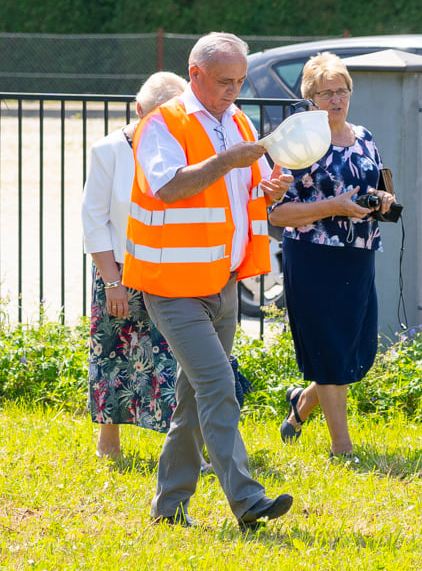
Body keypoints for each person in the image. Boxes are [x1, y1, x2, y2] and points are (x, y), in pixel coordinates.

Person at [123, 32, 293, 529]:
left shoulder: (236, 119)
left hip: (222, 281)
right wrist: (227, 163)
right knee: (219, 385)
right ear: (195, 74)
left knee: (194, 401)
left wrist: (267, 186)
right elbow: (170, 187)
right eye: (224, 81)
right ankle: (247, 501)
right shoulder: (163, 123)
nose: (233, 91)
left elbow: (241, 191)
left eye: (240, 81)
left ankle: (167, 508)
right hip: (172, 285)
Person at [268, 52, 397, 459]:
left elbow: (373, 183)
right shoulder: (298, 142)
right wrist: (334, 207)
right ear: (310, 99)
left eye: (342, 91)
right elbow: (278, 212)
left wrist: (382, 199)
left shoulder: (364, 137)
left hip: (358, 255)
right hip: (312, 256)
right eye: (326, 93)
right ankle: (342, 448)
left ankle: (302, 404)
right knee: (328, 348)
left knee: (354, 351)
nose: (336, 99)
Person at [82, 71, 188, 461]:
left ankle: (185, 446)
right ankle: (108, 440)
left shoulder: (184, 148)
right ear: (138, 108)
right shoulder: (108, 150)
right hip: (120, 270)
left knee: (179, 357)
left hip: (173, 267)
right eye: (156, 115)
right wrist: (112, 281)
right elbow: (94, 220)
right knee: (112, 351)